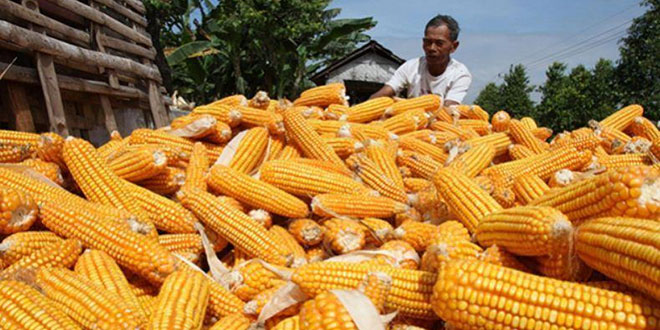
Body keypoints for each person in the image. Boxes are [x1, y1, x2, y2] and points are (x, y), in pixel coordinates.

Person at [370, 14, 472, 106]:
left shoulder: (460, 74)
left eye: (439, 43)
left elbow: (449, 109)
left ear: (454, 46)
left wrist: (408, 105)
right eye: (428, 42)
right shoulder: (411, 67)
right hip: (411, 122)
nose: (432, 48)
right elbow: (385, 92)